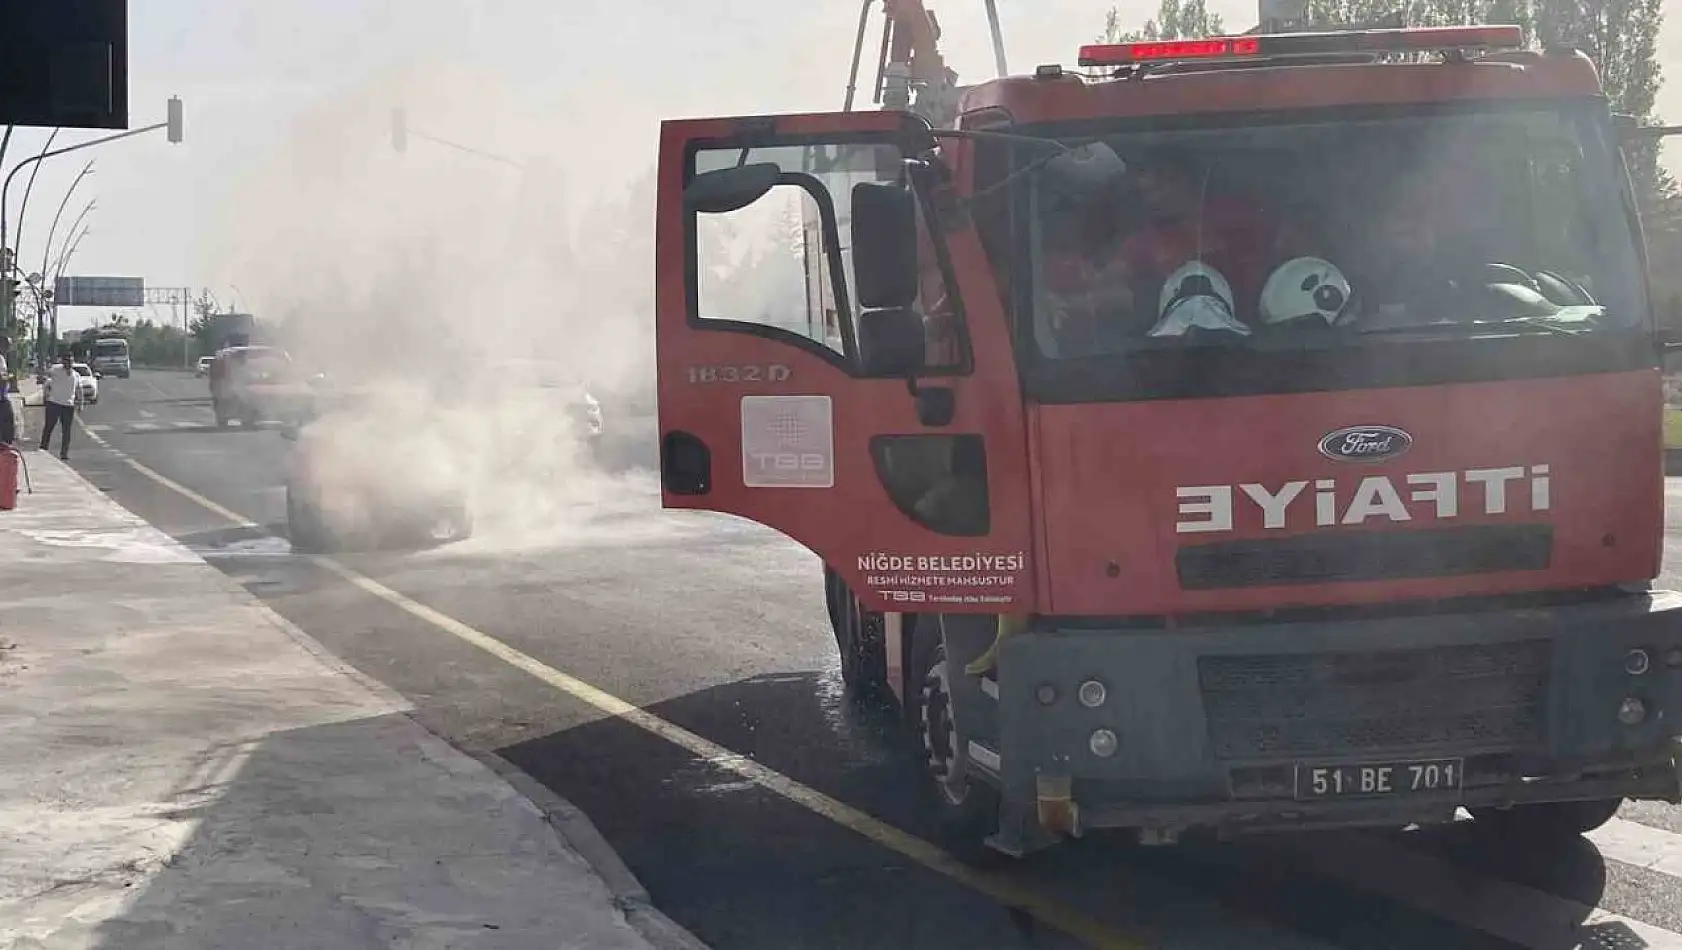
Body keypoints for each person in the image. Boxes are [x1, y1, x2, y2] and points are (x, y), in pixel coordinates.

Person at [1114, 147, 1312, 327]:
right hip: (1177, 350)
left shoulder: (1242, 217)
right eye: (1146, 191)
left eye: (1160, 180)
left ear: (1186, 178)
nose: (1153, 196)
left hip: (1262, 337)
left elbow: (1304, 253)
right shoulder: (1143, 243)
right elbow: (1115, 289)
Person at [39, 353, 81, 460]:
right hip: (54, 403)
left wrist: (80, 403)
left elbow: (78, 390)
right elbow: (46, 376)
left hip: (68, 406)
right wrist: (45, 388)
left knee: (66, 431)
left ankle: (64, 453)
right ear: (62, 361)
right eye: (66, 361)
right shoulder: (56, 370)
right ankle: (43, 449)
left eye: (70, 361)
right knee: (49, 427)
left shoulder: (76, 375)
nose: (68, 363)